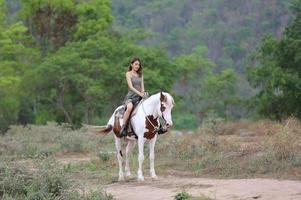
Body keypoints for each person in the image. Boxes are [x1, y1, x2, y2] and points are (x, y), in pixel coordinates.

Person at [120, 57, 146, 137]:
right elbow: (131, 87)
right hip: (130, 97)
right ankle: (124, 127)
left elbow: (142, 87)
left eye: (138, 64)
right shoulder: (128, 74)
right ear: (131, 65)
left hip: (140, 97)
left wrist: (144, 93)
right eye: (136, 64)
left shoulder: (140, 75)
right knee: (130, 107)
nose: (137, 66)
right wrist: (140, 94)